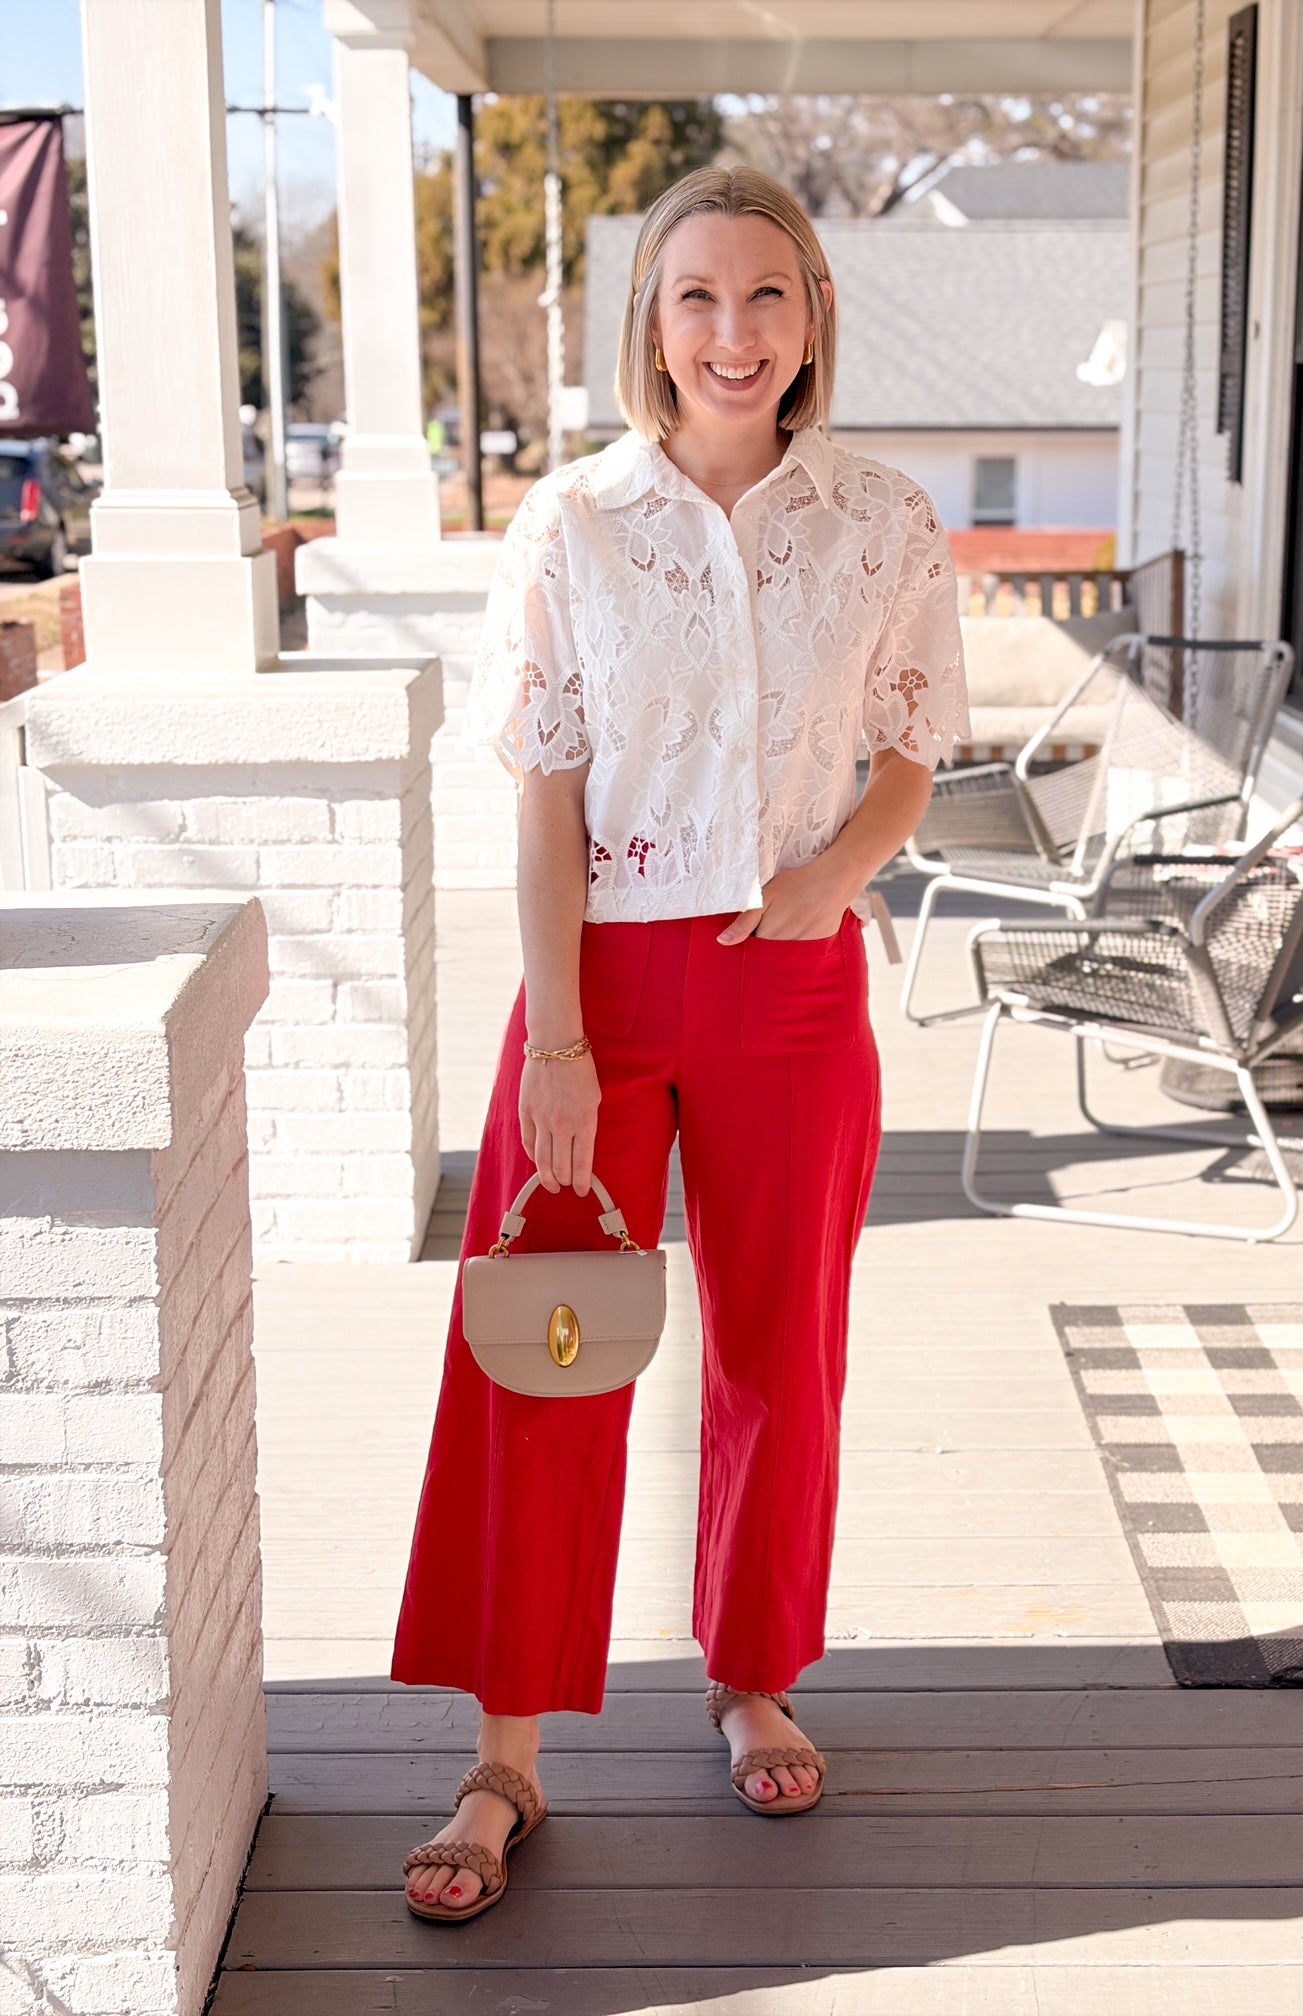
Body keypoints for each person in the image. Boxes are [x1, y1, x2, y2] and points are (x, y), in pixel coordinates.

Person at [392, 165, 969, 1921]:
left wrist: (830, 884)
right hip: (602, 997)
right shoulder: (569, 523)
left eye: (769, 296)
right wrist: (556, 1037)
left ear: (813, 322)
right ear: (653, 318)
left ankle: (752, 1673)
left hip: (793, 992)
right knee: (537, 1354)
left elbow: (916, 746)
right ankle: (506, 1757)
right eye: (699, 297)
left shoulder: (883, 518)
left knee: (779, 1355)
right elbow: (543, 794)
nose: (734, 332)